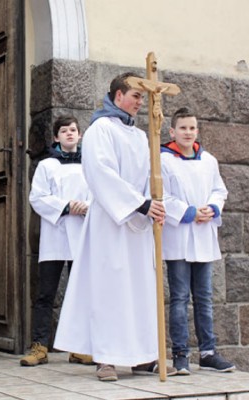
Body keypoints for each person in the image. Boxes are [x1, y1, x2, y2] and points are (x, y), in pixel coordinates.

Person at [53, 72, 177, 382]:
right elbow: (100, 173)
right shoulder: (100, 129)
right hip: (110, 221)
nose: (139, 102)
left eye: (141, 97)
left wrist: (157, 204)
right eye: (135, 96)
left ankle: (144, 356)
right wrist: (139, 203)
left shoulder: (140, 135)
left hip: (139, 225)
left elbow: (153, 175)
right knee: (110, 290)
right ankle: (106, 358)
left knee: (141, 290)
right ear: (118, 95)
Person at [161, 107, 235, 375]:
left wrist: (212, 208)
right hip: (179, 236)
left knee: (204, 297)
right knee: (179, 297)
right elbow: (161, 195)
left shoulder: (209, 160)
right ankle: (180, 354)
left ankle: (208, 352)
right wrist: (190, 212)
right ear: (172, 131)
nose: (188, 132)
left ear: (197, 130)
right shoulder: (163, 160)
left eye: (192, 128)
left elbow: (219, 189)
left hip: (203, 236)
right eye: (183, 128)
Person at [20, 116, 94, 367]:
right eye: (64, 131)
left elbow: (100, 194)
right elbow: (37, 197)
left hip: (82, 234)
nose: (69, 134)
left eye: (73, 130)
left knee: (80, 293)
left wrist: (88, 206)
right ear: (56, 137)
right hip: (56, 235)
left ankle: (78, 347)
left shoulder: (90, 165)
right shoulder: (47, 166)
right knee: (46, 294)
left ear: (80, 134)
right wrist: (65, 206)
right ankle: (40, 347)